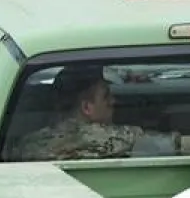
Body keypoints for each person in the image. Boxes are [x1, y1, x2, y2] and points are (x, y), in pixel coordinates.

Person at [11, 68, 170, 161]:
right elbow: (166, 145)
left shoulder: (26, 143)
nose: (113, 101)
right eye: (106, 96)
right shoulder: (106, 138)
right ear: (87, 107)